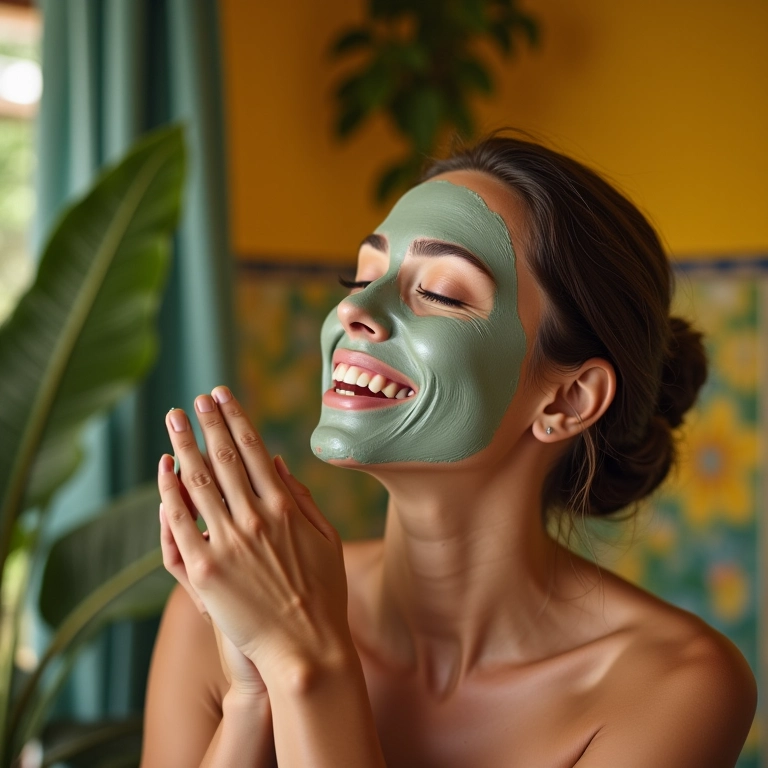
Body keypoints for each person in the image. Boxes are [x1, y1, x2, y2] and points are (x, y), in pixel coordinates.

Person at [140, 137, 756, 767]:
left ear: (567, 400)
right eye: (362, 275)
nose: (354, 308)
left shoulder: (675, 687)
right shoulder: (216, 608)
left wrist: (307, 667)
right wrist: (250, 701)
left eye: (440, 292)